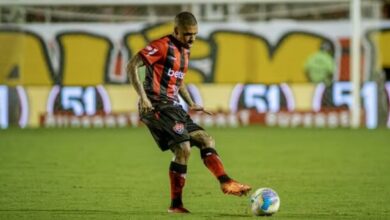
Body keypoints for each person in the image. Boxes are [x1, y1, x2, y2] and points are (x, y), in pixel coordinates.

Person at [127, 11, 251, 214]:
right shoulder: (161, 46)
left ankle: (226, 182)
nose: (192, 38)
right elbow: (131, 65)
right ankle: (176, 205)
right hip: (156, 106)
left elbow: (178, 80)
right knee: (183, 148)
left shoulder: (184, 51)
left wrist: (191, 102)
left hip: (173, 107)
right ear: (176, 30)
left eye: (194, 34)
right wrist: (143, 96)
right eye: (187, 34)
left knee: (205, 139)